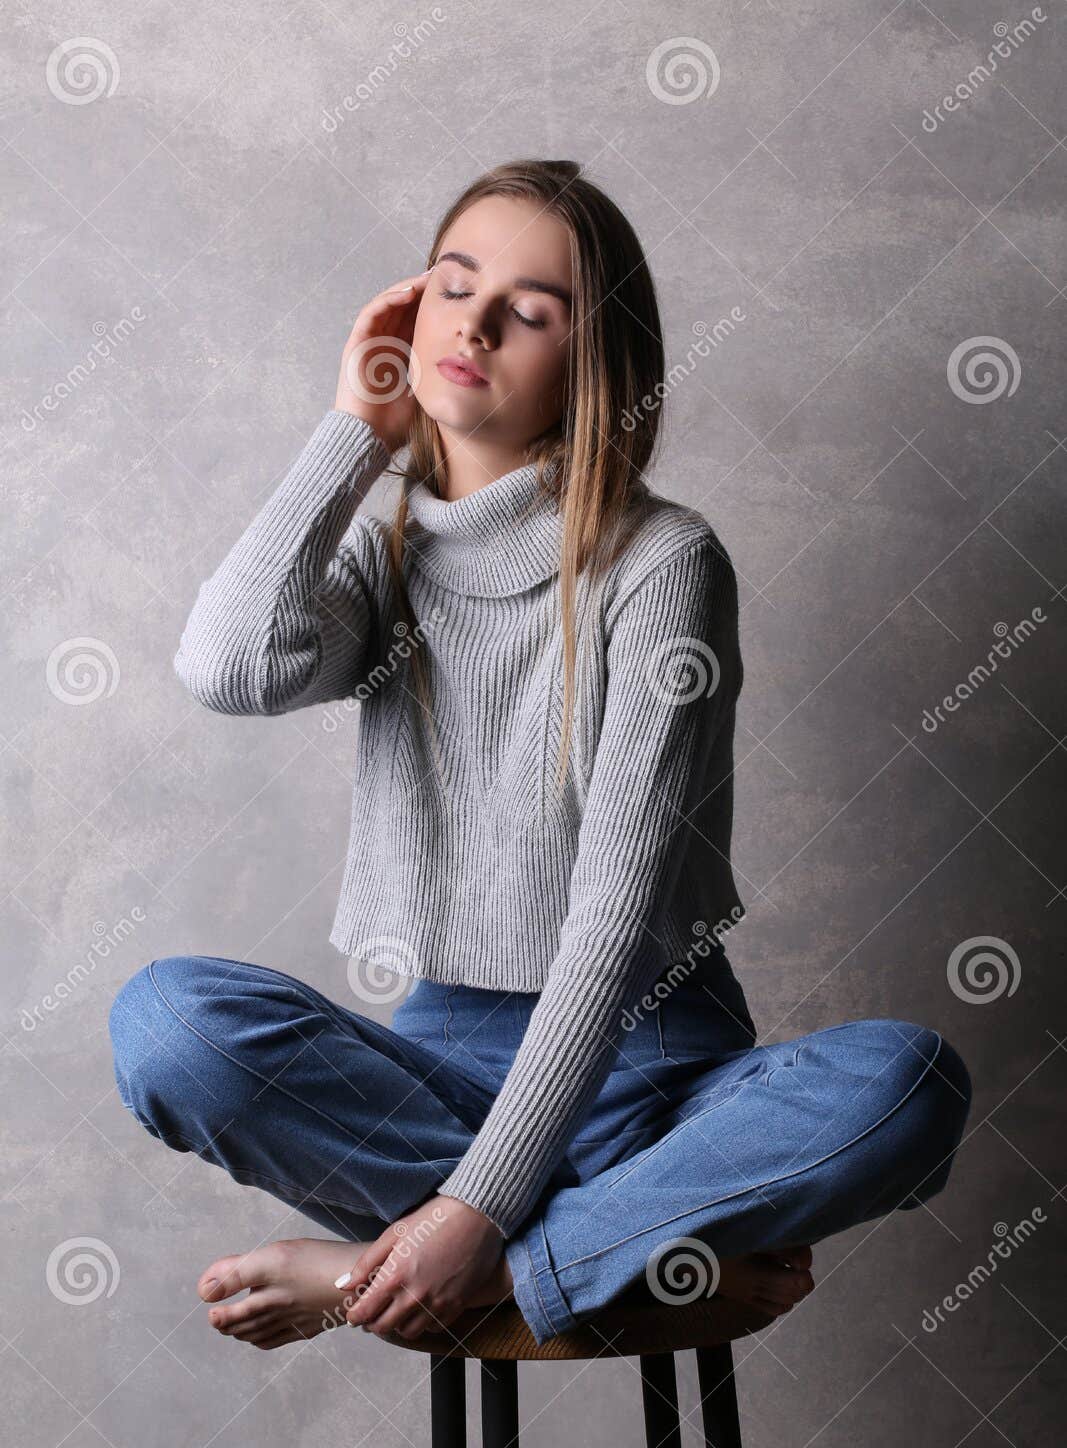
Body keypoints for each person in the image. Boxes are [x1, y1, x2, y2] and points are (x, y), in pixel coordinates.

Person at [108, 159, 972, 1354]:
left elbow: (616, 920)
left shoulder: (660, 561)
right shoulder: (382, 558)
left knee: (906, 1085)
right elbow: (228, 666)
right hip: (442, 1085)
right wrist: (352, 432)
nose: (472, 321)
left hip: (654, 1078)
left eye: (530, 309)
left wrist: (474, 1211)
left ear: (590, 364)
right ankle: (611, 1261)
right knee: (165, 1023)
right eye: (452, 285)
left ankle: (391, 1275)